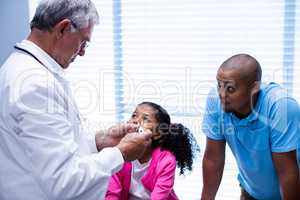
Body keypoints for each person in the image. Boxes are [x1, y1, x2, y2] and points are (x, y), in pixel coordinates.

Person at [0, 1, 152, 200]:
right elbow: (65, 182)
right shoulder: (35, 85)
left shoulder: (16, 67)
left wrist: (99, 142)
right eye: (83, 41)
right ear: (62, 29)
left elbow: (44, 151)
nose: (82, 52)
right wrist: (120, 153)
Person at [201, 53, 300, 200]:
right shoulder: (215, 101)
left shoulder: (280, 106)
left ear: (254, 88)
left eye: (230, 89)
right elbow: (213, 160)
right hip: (251, 192)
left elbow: (287, 172)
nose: (221, 94)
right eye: (219, 85)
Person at [105, 102, 200, 200]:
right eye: (134, 116)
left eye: (145, 119)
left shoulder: (166, 161)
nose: (135, 121)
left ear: (157, 134)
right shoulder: (119, 154)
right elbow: (111, 193)